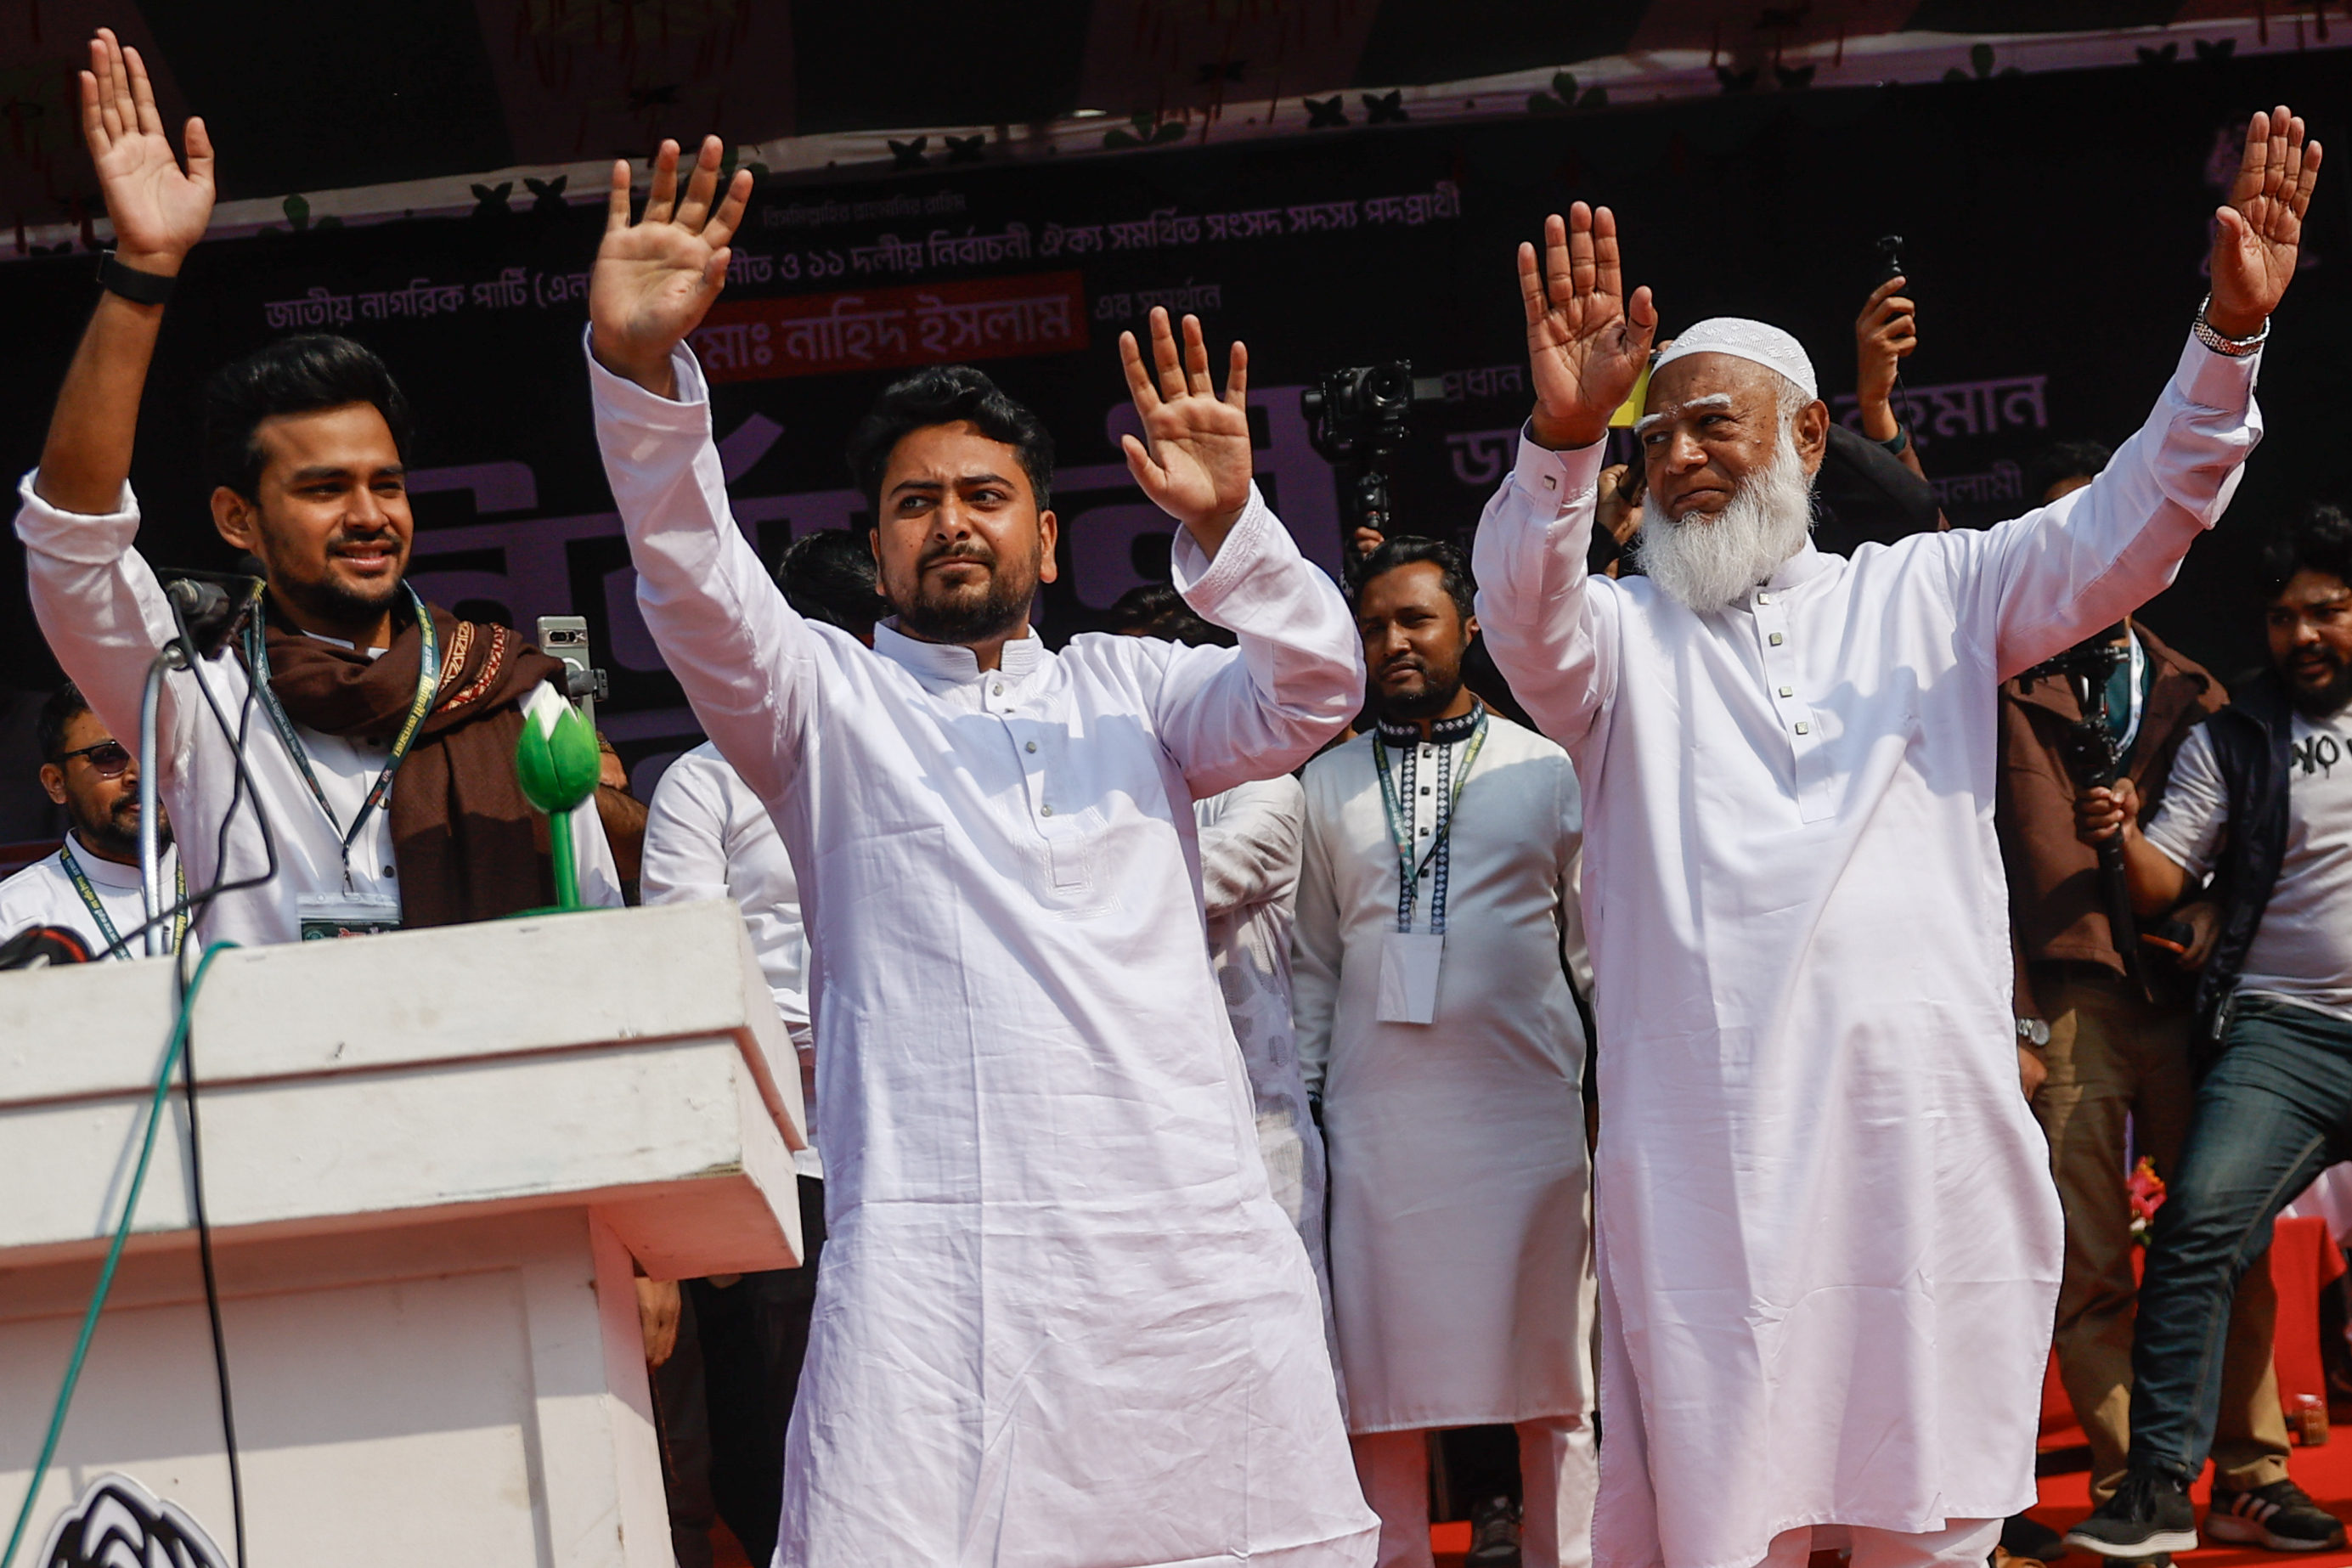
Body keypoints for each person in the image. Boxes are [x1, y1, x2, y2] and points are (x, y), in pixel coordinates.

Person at [1467, 104, 2315, 1568]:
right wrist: (1558, 440)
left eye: (1711, 424)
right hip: (1714, 1158)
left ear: (1808, 435)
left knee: (1924, 1503)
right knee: (1725, 1509)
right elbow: (1515, 614)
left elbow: (2138, 517)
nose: (1678, 457)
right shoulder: (1610, 641)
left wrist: (2226, 339)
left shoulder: (1931, 593)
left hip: (1915, 1144)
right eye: (1653, 437)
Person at [584, 136, 1375, 1564]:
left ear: (1048, 538)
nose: (949, 521)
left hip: (1177, 1254)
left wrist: (1230, 522)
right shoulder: (819, 704)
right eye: (913, 503)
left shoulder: (1139, 693)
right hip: (942, 1272)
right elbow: (693, 583)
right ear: (878, 548)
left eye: (983, 495)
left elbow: (1316, 688)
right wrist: (642, 378)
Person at [16, 31, 618, 947]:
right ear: (238, 518)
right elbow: (72, 536)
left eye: (387, 485)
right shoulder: (197, 698)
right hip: (271, 1048)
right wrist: (143, 269)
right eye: (325, 488)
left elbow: (603, 937)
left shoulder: (507, 695)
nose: (369, 515)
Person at [1294, 537, 1594, 1568]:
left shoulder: (1546, 766)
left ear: (1469, 628)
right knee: (1383, 1379)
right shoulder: (1324, 782)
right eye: (1374, 627)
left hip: (1525, 1114)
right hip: (1380, 1122)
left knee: (1556, 1369)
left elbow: (1598, 952)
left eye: (1415, 620)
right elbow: (1313, 967)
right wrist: (1310, 1107)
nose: (1394, 643)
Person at [2065, 502, 2352, 1555]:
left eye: (2327, 611)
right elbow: (2164, 885)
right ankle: (2155, 1489)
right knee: (2195, 1230)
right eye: (2283, 618)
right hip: (2283, 1036)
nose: (2302, 635)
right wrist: (2124, 835)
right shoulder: (2234, 735)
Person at [1998, 614, 2297, 1526]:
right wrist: (2013, 1010)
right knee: (2088, 1259)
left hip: (2181, 994)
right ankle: (2136, 1490)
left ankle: (2252, 1472)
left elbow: (2254, 837)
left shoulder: (2193, 688)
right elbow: (1963, 854)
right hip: (2063, 996)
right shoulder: (1998, 684)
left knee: (2227, 1239)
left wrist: (2216, 911)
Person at [635, 533, 880, 1562]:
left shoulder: (926, 761)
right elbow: (689, 969)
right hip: (788, 1158)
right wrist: (848, 1037)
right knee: (780, 1439)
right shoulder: (706, 782)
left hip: (926, 1147)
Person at [1105, 583, 1340, 1380]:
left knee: (1283, 1358)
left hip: (1257, 1125)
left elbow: (1187, 880)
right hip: (1145, 1131)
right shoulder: (1115, 798)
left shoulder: (1266, 789)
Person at [0, 680, 182, 957]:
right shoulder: (12, 917)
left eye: (155, 751)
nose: (140, 773)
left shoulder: (236, 884)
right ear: (56, 783)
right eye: (108, 756)